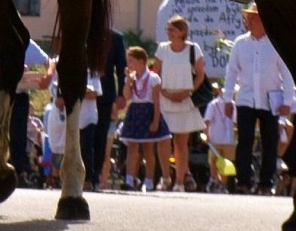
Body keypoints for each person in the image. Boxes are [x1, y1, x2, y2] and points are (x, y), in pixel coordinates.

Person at [225, 3, 296, 194]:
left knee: (270, 142)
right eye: (248, 17)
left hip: (270, 100)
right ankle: (244, 182)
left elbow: (287, 73)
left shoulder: (275, 43)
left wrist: (288, 101)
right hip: (246, 99)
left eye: (254, 17)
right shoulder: (240, 43)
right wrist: (227, 99)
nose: (249, 21)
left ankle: (265, 183)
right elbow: (231, 73)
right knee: (245, 141)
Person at [0, 32, 51, 184]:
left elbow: (48, 62)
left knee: (18, 135)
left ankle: (18, 172)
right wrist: (14, 70)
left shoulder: (25, 43)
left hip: (19, 95)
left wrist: (48, 77)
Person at [156, 15, 208, 192]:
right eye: (168, 30)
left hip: (185, 100)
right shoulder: (162, 49)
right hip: (165, 99)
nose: (169, 33)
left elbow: (200, 74)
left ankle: (179, 181)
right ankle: (165, 177)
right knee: (163, 140)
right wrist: (164, 93)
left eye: (173, 29)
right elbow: (156, 74)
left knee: (181, 142)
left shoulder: (194, 49)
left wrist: (188, 92)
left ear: (182, 32)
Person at [117, 45, 167, 190]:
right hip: (135, 111)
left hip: (148, 111)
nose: (129, 64)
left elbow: (157, 102)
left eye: (131, 61)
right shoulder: (132, 78)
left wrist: (156, 121)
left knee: (148, 148)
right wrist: (128, 81)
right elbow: (126, 96)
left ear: (141, 61)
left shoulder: (153, 78)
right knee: (132, 147)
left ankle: (149, 180)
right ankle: (129, 178)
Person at [89, 28, 127, 187]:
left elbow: (121, 68)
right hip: (83, 91)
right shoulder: (83, 32)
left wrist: (121, 94)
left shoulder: (116, 38)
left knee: (100, 135)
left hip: (104, 94)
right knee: (83, 134)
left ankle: (95, 174)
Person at [203, 81, 237, 191]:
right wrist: (206, 134)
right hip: (215, 138)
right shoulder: (213, 104)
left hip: (228, 139)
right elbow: (207, 121)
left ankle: (223, 184)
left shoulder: (233, 105)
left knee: (226, 163)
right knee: (214, 161)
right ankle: (214, 180)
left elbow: (235, 122)